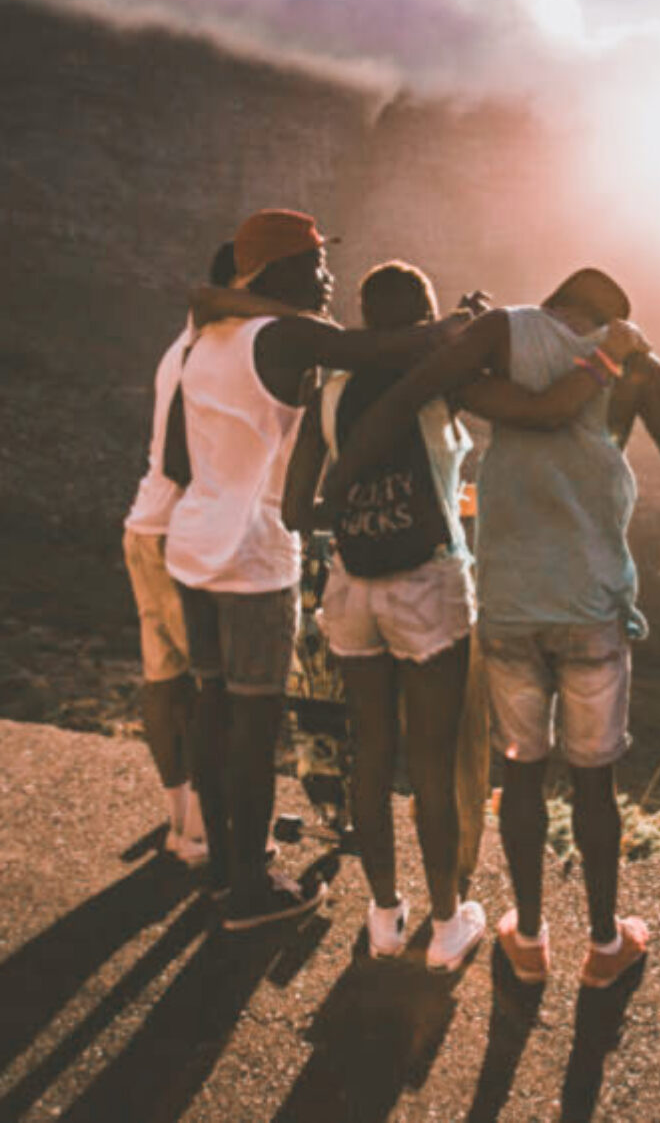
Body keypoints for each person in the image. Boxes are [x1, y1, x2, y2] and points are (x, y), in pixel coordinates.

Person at [320, 268, 660, 989]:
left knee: (520, 771)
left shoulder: (503, 337)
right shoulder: (632, 359)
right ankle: (606, 945)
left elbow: (422, 385)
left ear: (553, 306)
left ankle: (528, 937)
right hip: (591, 604)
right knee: (594, 782)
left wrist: (337, 487)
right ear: (607, 319)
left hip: (510, 602)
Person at [282, 261, 647, 971]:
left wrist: (346, 511)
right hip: (426, 583)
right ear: (427, 323)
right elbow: (539, 412)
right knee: (434, 758)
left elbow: (296, 510)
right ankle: (448, 924)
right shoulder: (439, 386)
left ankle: (385, 915)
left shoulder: (327, 391)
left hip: (352, 585)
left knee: (371, 749)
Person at [167, 209, 471, 931]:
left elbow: (180, 459)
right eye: (313, 262)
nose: (328, 275)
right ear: (275, 272)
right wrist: (465, 325)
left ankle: (220, 871)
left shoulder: (204, 340)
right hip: (251, 557)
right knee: (254, 717)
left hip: (195, 546)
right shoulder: (285, 333)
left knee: (211, 706)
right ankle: (251, 889)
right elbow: (391, 349)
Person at [122, 240, 235, 867]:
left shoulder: (185, 342)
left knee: (164, 680)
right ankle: (200, 832)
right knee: (204, 688)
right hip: (176, 535)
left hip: (145, 524)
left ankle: (181, 822)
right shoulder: (209, 349)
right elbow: (182, 461)